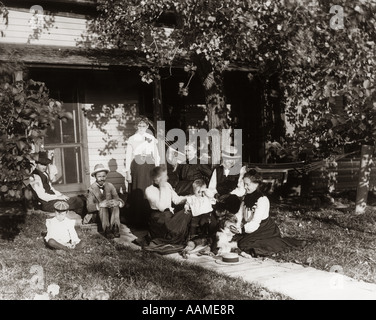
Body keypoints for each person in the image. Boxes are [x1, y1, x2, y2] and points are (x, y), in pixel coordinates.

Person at [232, 169, 306, 256]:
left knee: (244, 244)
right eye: (244, 184)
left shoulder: (262, 200)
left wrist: (242, 229)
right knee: (236, 240)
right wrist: (233, 223)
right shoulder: (246, 198)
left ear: (256, 184)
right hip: (251, 227)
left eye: (247, 184)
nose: (244, 187)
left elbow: (255, 222)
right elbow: (240, 214)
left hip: (264, 229)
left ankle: (281, 243)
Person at [125, 116, 160, 227]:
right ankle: (137, 221)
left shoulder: (151, 138)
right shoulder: (132, 139)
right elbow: (128, 156)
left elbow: (156, 156)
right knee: (138, 192)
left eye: (143, 126)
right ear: (136, 126)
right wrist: (127, 172)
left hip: (149, 166)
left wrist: (157, 170)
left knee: (149, 192)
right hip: (137, 167)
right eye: (139, 125)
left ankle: (149, 221)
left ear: (147, 126)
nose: (141, 128)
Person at [143, 166, 190, 246]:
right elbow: (161, 207)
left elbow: (177, 199)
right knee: (173, 230)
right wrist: (162, 188)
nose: (167, 178)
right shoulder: (149, 190)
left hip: (168, 216)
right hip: (158, 219)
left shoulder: (167, 185)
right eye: (165, 176)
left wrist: (190, 198)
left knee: (187, 214)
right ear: (157, 178)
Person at [29, 151, 84, 215]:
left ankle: (79, 216)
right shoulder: (35, 176)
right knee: (77, 201)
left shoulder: (45, 174)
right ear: (36, 164)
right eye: (41, 164)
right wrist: (57, 197)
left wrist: (60, 195)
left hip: (52, 200)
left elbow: (51, 188)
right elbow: (41, 195)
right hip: (46, 203)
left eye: (45, 165)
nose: (44, 167)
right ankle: (83, 218)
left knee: (77, 199)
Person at [87, 163, 125, 239]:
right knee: (103, 206)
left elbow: (118, 198)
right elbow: (89, 207)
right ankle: (107, 230)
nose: (102, 178)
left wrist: (118, 202)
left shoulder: (110, 186)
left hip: (111, 214)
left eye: (103, 176)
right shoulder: (91, 189)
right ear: (95, 176)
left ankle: (115, 227)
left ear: (106, 176)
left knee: (114, 204)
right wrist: (100, 205)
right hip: (98, 215)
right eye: (99, 176)